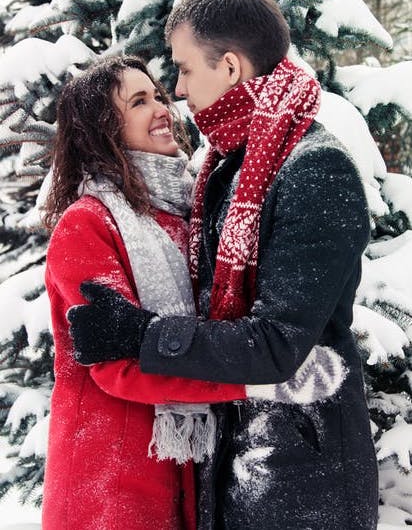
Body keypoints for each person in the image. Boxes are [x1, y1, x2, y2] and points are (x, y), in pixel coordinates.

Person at [68, 0, 379, 530]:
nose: (179, 91)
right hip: (234, 469)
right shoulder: (226, 170)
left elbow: (279, 344)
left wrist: (142, 335)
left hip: (301, 483)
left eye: (184, 71)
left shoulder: (313, 169)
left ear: (230, 67)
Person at [43, 54, 300, 530]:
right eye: (139, 102)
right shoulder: (87, 224)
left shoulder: (188, 211)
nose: (163, 108)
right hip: (112, 480)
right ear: (101, 131)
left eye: (159, 95)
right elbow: (119, 362)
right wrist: (260, 377)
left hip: (187, 466)